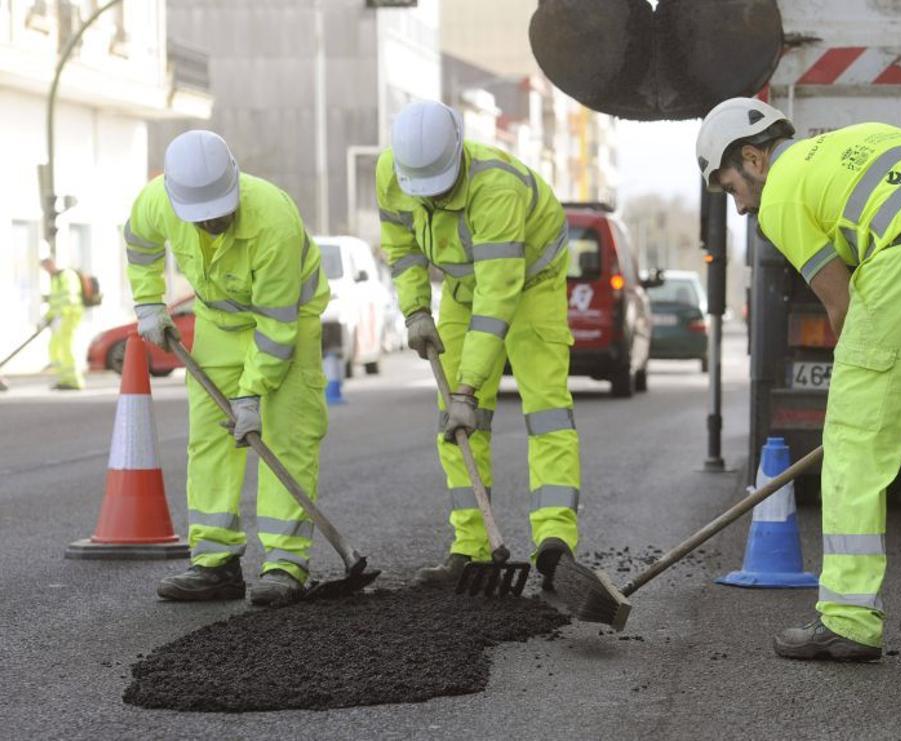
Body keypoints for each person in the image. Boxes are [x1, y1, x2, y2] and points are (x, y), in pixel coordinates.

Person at [695, 98, 901, 660]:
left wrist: (875, 397)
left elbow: (842, 302)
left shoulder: (781, 192)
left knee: (856, 443)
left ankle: (848, 620)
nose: (738, 207)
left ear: (754, 158)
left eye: (731, 188)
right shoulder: (871, 138)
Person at [377, 100, 581, 588]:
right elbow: (401, 249)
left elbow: (498, 296)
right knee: (456, 422)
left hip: (529, 281)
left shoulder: (496, 189)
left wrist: (469, 388)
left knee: (546, 407)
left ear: (458, 156)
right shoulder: (394, 171)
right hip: (463, 284)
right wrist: (416, 310)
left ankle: (555, 542)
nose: (431, 197)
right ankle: (470, 548)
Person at [124, 130, 330, 606]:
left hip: (286, 323)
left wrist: (251, 394)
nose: (214, 222)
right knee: (210, 440)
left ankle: (284, 564)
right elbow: (139, 243)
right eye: (203, 216)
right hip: (217, 321)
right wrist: (148, 303)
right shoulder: (157, 201)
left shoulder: (274, 218)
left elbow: (277, 326)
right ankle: (214, 562)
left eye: (220, 211)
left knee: (286, 435)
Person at [42, 253, 85, 390]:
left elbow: (69, 297)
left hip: (69, 315)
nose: (46, 270)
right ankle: (64, 379)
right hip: (60, 317)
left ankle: (74, 381)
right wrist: (47, 317)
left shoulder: (67, 275)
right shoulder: (56, 279)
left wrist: (62, 314)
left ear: (52, 263)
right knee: (54, 347)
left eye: (46, 266)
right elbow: (55, 303)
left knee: (66, 347)